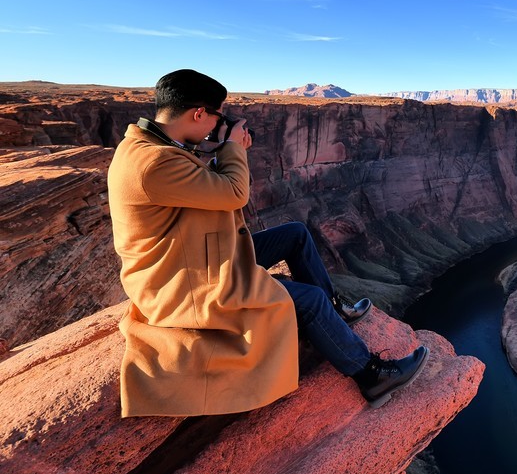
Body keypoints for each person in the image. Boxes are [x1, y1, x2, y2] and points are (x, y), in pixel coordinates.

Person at [108, 69, 427, 418]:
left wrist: (222, 149)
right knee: (308, 301)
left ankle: (335, 314)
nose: (218, 124)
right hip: (182, 279)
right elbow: (233, 193)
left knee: (295, 234)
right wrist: (231, 147)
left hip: (199, 254)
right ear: (199, 113)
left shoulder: (154, 145)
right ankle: (371, 375)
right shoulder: (152, 162)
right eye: (217, 116)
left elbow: (199, 185)